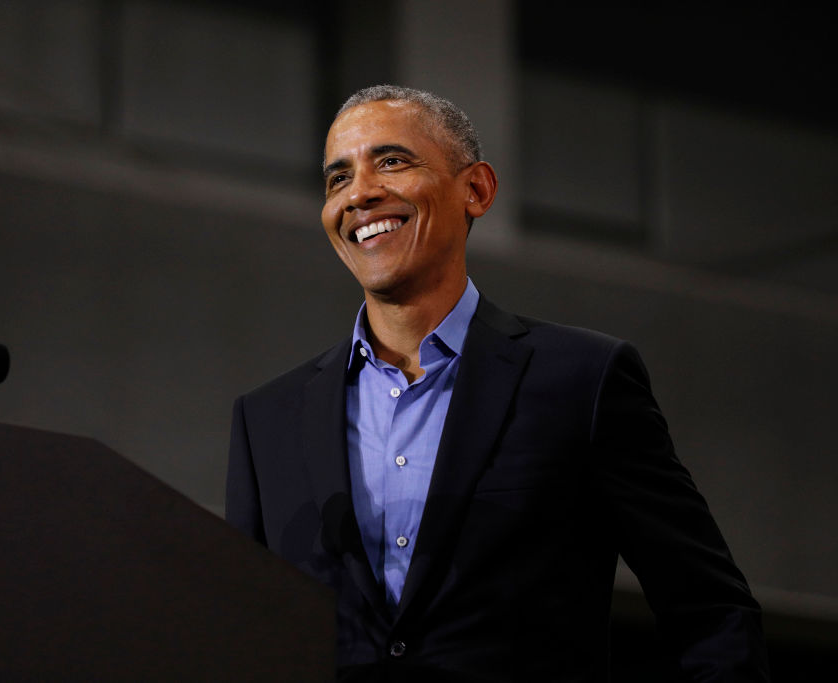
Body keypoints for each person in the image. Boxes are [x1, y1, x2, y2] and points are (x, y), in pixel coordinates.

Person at [226, 85, 769, 682]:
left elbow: (709, 611)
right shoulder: (266, 420)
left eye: (392, 161)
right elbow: (241, 639)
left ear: (476, 190)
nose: (360, 193)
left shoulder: (581, 379)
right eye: (337, 178)